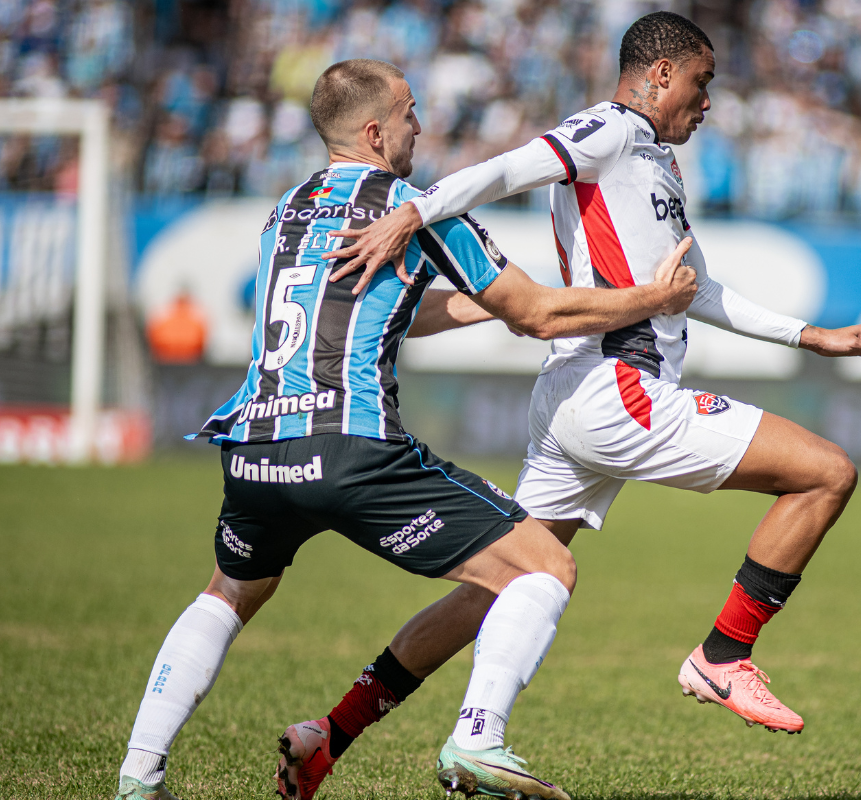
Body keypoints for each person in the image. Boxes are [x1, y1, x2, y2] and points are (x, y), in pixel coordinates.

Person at [278, 14, 861, 800]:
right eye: (702, 83)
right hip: (622, 390)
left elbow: (696, 290)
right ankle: (720, 657)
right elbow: (512, 168)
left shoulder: (654, 163)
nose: (708, 103)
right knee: (825, 474)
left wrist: (811, 336)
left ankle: (329, 737)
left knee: (502, 584)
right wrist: (416, 209)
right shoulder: (608, 129)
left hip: (574, 395)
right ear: (661, 74)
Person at [113, 58, 699, 800]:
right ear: (373, 130)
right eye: (409, 111)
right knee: (544, 567)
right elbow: (544, 313)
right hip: (350, 449)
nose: (419, 124)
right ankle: (478, 740)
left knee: (227, 595)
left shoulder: (283, 211)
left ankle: (138, 777)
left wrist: (488, 305)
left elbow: (379, 313)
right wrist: (653, 296)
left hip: (253, 449)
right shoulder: (411, 205)